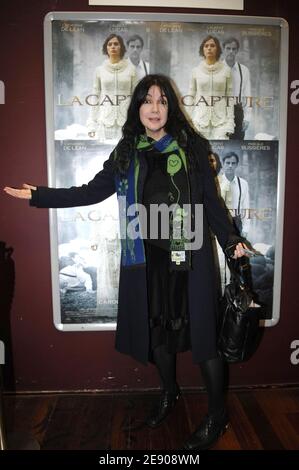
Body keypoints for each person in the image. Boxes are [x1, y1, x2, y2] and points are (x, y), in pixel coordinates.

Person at [4, 74, 249, 451]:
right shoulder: (127, 151)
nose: (154, 107)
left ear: (171, 107)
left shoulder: (192, 147)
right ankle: (170, 394)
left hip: (192, 255)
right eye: (147, 100)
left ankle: (217, 415)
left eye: (162, 100)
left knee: (205, 339)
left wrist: (231, 239)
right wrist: (40, 195)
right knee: (159, 333)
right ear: (137, 107)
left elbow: (212, 203)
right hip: (147, 257)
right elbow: (91, 192)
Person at [86, 33, 138, 142]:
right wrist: (92, 123)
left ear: (121, 47)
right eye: (109, 44)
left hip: (126, 120)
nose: (113, 46)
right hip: (105, 121)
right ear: (106, 48)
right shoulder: (99, 70)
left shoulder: (131, 69)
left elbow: (137, 97)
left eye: (116, 44)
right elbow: (95, 97)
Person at [188, 35, 235, 140]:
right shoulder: (195, 71)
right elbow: (190, 97)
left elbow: (230, 98)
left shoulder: (226, 71)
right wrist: (187, 121)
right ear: (202, 49)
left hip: (221, 122)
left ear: (217, 49)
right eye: (206, 46)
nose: (209, 48)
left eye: (212, 46)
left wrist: (230, 123)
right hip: (199, 122)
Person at [222, 37, 252, 140]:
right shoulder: (215, 69)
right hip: (220, 111)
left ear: (237, 51)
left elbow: (248, 95)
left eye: (234, 49)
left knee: (237, 142)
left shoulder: (244, 70)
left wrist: (247, 118)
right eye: (228, 48)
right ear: (223, 49)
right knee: (220, 143)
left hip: (237, 111)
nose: (231, 51)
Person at [217, 151, 250, 238]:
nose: (230, 166)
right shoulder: (216, 182)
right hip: (219, 221)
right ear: (223, 164)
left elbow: (246, 207)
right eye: (228, 163)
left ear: (236, 165)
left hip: (237, 223)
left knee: (236, 249)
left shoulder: (243, 184)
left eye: (233, 163)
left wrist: (246, 228)